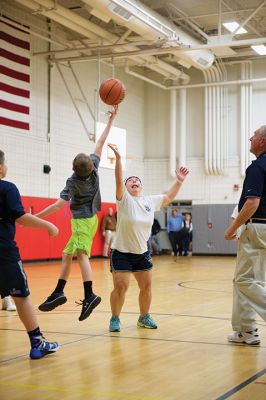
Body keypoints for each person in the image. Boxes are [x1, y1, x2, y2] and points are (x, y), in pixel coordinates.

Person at [36, 106, 118, 321]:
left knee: (82, 256)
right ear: (91, 166)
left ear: (73, 168)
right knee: (66, 254)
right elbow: (100, 143)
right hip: (89, 219)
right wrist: (111, 120)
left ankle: (90, 295)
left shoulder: (72, 183)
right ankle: (58, 292)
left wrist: (36, 218)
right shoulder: (95, 171)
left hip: (82, 221)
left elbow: (56, 206)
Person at [107, 144, 189, 332]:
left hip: (142, 253)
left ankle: (144, 317)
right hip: (122, 252)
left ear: (141, 186)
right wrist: (119, 160)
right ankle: (115, 318)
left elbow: (168, 196)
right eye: (131, 181)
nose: (134, 181)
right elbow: (118, 180)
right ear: (126, 187)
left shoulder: (149, 201)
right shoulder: (124, 200)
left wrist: (179, 181)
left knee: (147, 286)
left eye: (137, 180)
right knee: (121, 287)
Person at [0, 150, 59, 359]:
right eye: (5, 162)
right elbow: (21, 217)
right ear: (0, 168)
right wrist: (48, 225)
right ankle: (37, 343)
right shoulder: (7, 188)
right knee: (20, 295)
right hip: (4, 253)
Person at [224, 125, 266, 345]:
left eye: (255, 135)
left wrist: (232, 229)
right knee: (248, 280)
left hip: (257, 227)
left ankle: (247, 328)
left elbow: (252, 203)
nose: (251, 137)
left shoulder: (258, 167)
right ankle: (246, 329)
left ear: (262, 141)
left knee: (244, 280)